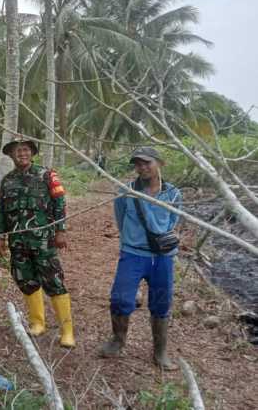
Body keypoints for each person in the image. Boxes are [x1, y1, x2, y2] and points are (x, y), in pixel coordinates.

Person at [100, 147, 183, 370]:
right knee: (120, 298)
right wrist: (131, 239)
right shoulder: (126, 191)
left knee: (161, 302)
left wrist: (170, 238)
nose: (142, 167)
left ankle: (160, 351)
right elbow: (120, 218)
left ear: (159, 163)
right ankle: (118, 341)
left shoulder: (173, 194)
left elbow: (175, 222)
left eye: (147, 162)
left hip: (163, 257)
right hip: (133, 253)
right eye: (138, 164)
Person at [0, 137, 75, 348]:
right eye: (16, 151)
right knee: (26, 280)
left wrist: (61, 231)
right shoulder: (7, 181)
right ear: (11, 155)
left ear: (31, 152)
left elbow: (60, 203)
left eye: (25, 150)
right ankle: (37, 323)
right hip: (18, 242)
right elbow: (2, 212)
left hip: (43, 241)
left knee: (54, 281)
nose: (21, 154)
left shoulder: (47, 175)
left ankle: (67, 331)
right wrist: (0, 236)